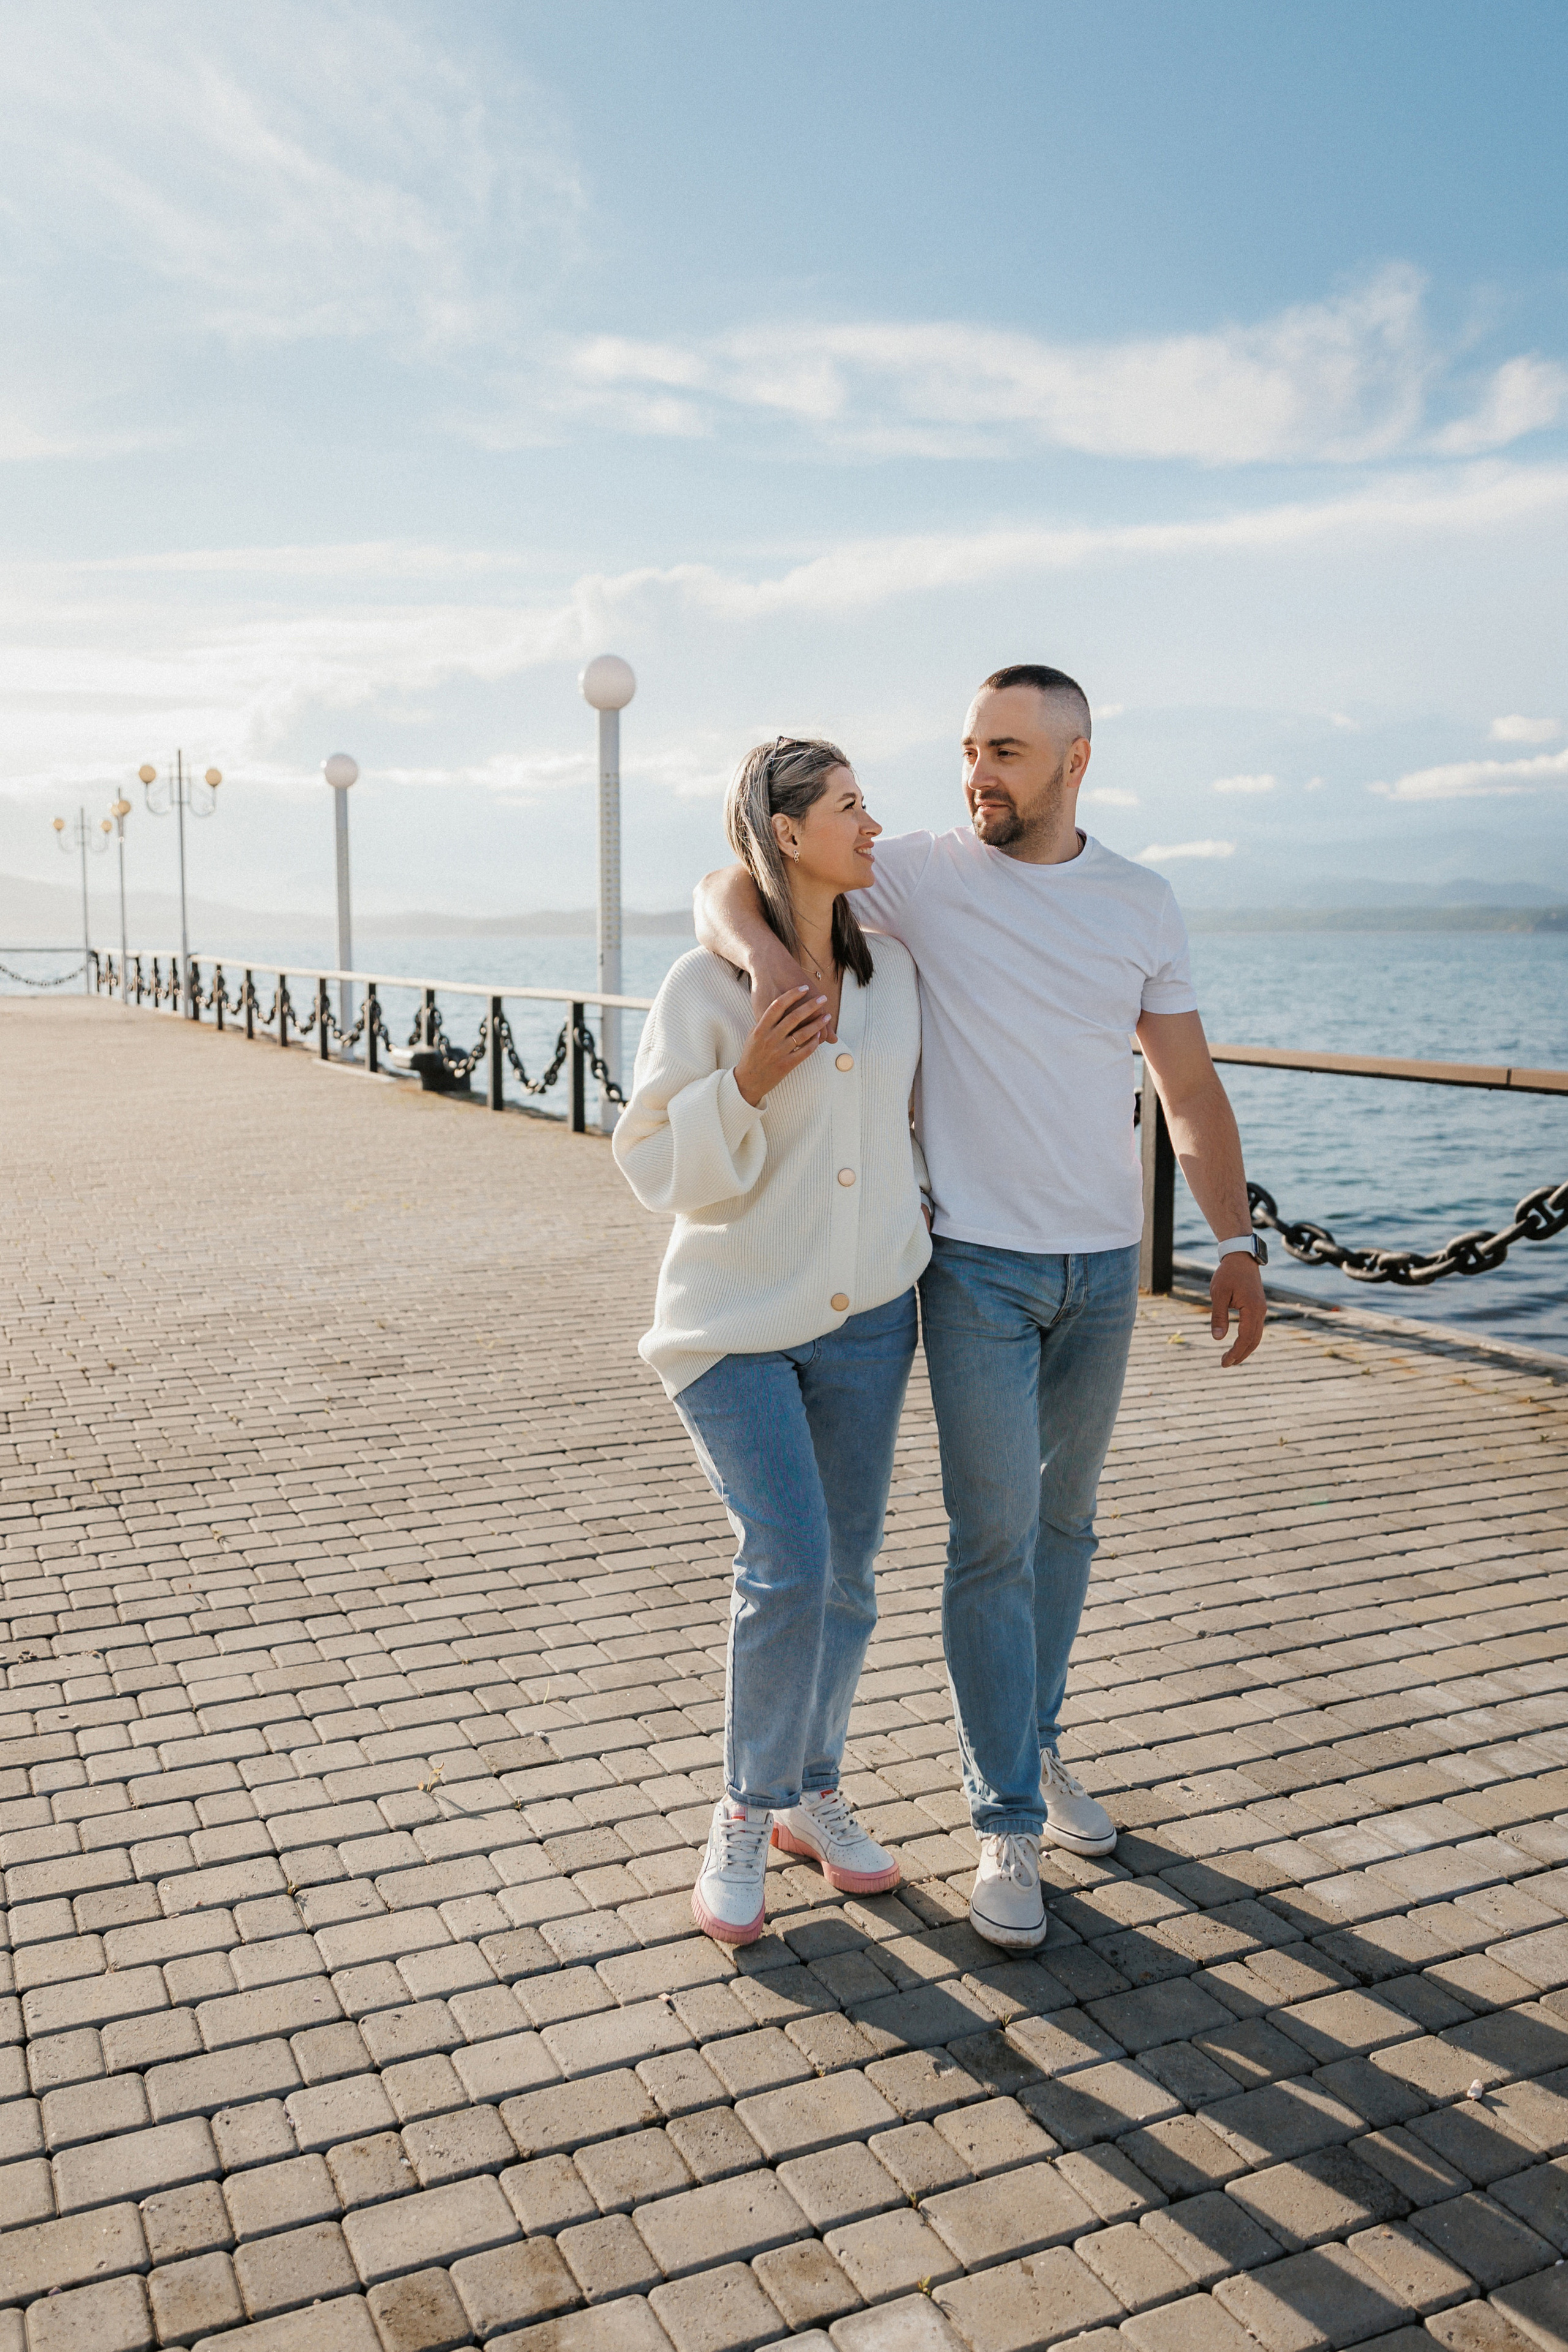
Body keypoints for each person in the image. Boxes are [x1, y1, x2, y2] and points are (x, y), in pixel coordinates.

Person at [695, 665, 1267, 1950]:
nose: (975, 773)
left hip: (1102, 1271)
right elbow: (729, 872)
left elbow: (1186, 1087)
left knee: (1064, 1530)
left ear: (1074, 760)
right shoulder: (927, 875)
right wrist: (766, 959)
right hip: (968, 1272)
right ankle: (1002, 1818)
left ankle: (1036, 1741)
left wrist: (1229, 1240)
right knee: (991, 1538)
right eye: (966, 748)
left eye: (1003, 749)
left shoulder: (1139, 901)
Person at [613, 736, 932, 1944]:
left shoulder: (895, 966)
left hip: (866, 1323)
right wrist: (743, 1081)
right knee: (787, 1562)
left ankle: (812, 1789)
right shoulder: (702, 990)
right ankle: (743, 1813)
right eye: (849, 807)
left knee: (845, 1578)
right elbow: (648, 1167)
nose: (872, 823)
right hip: (731, 1326)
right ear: (787, 831)